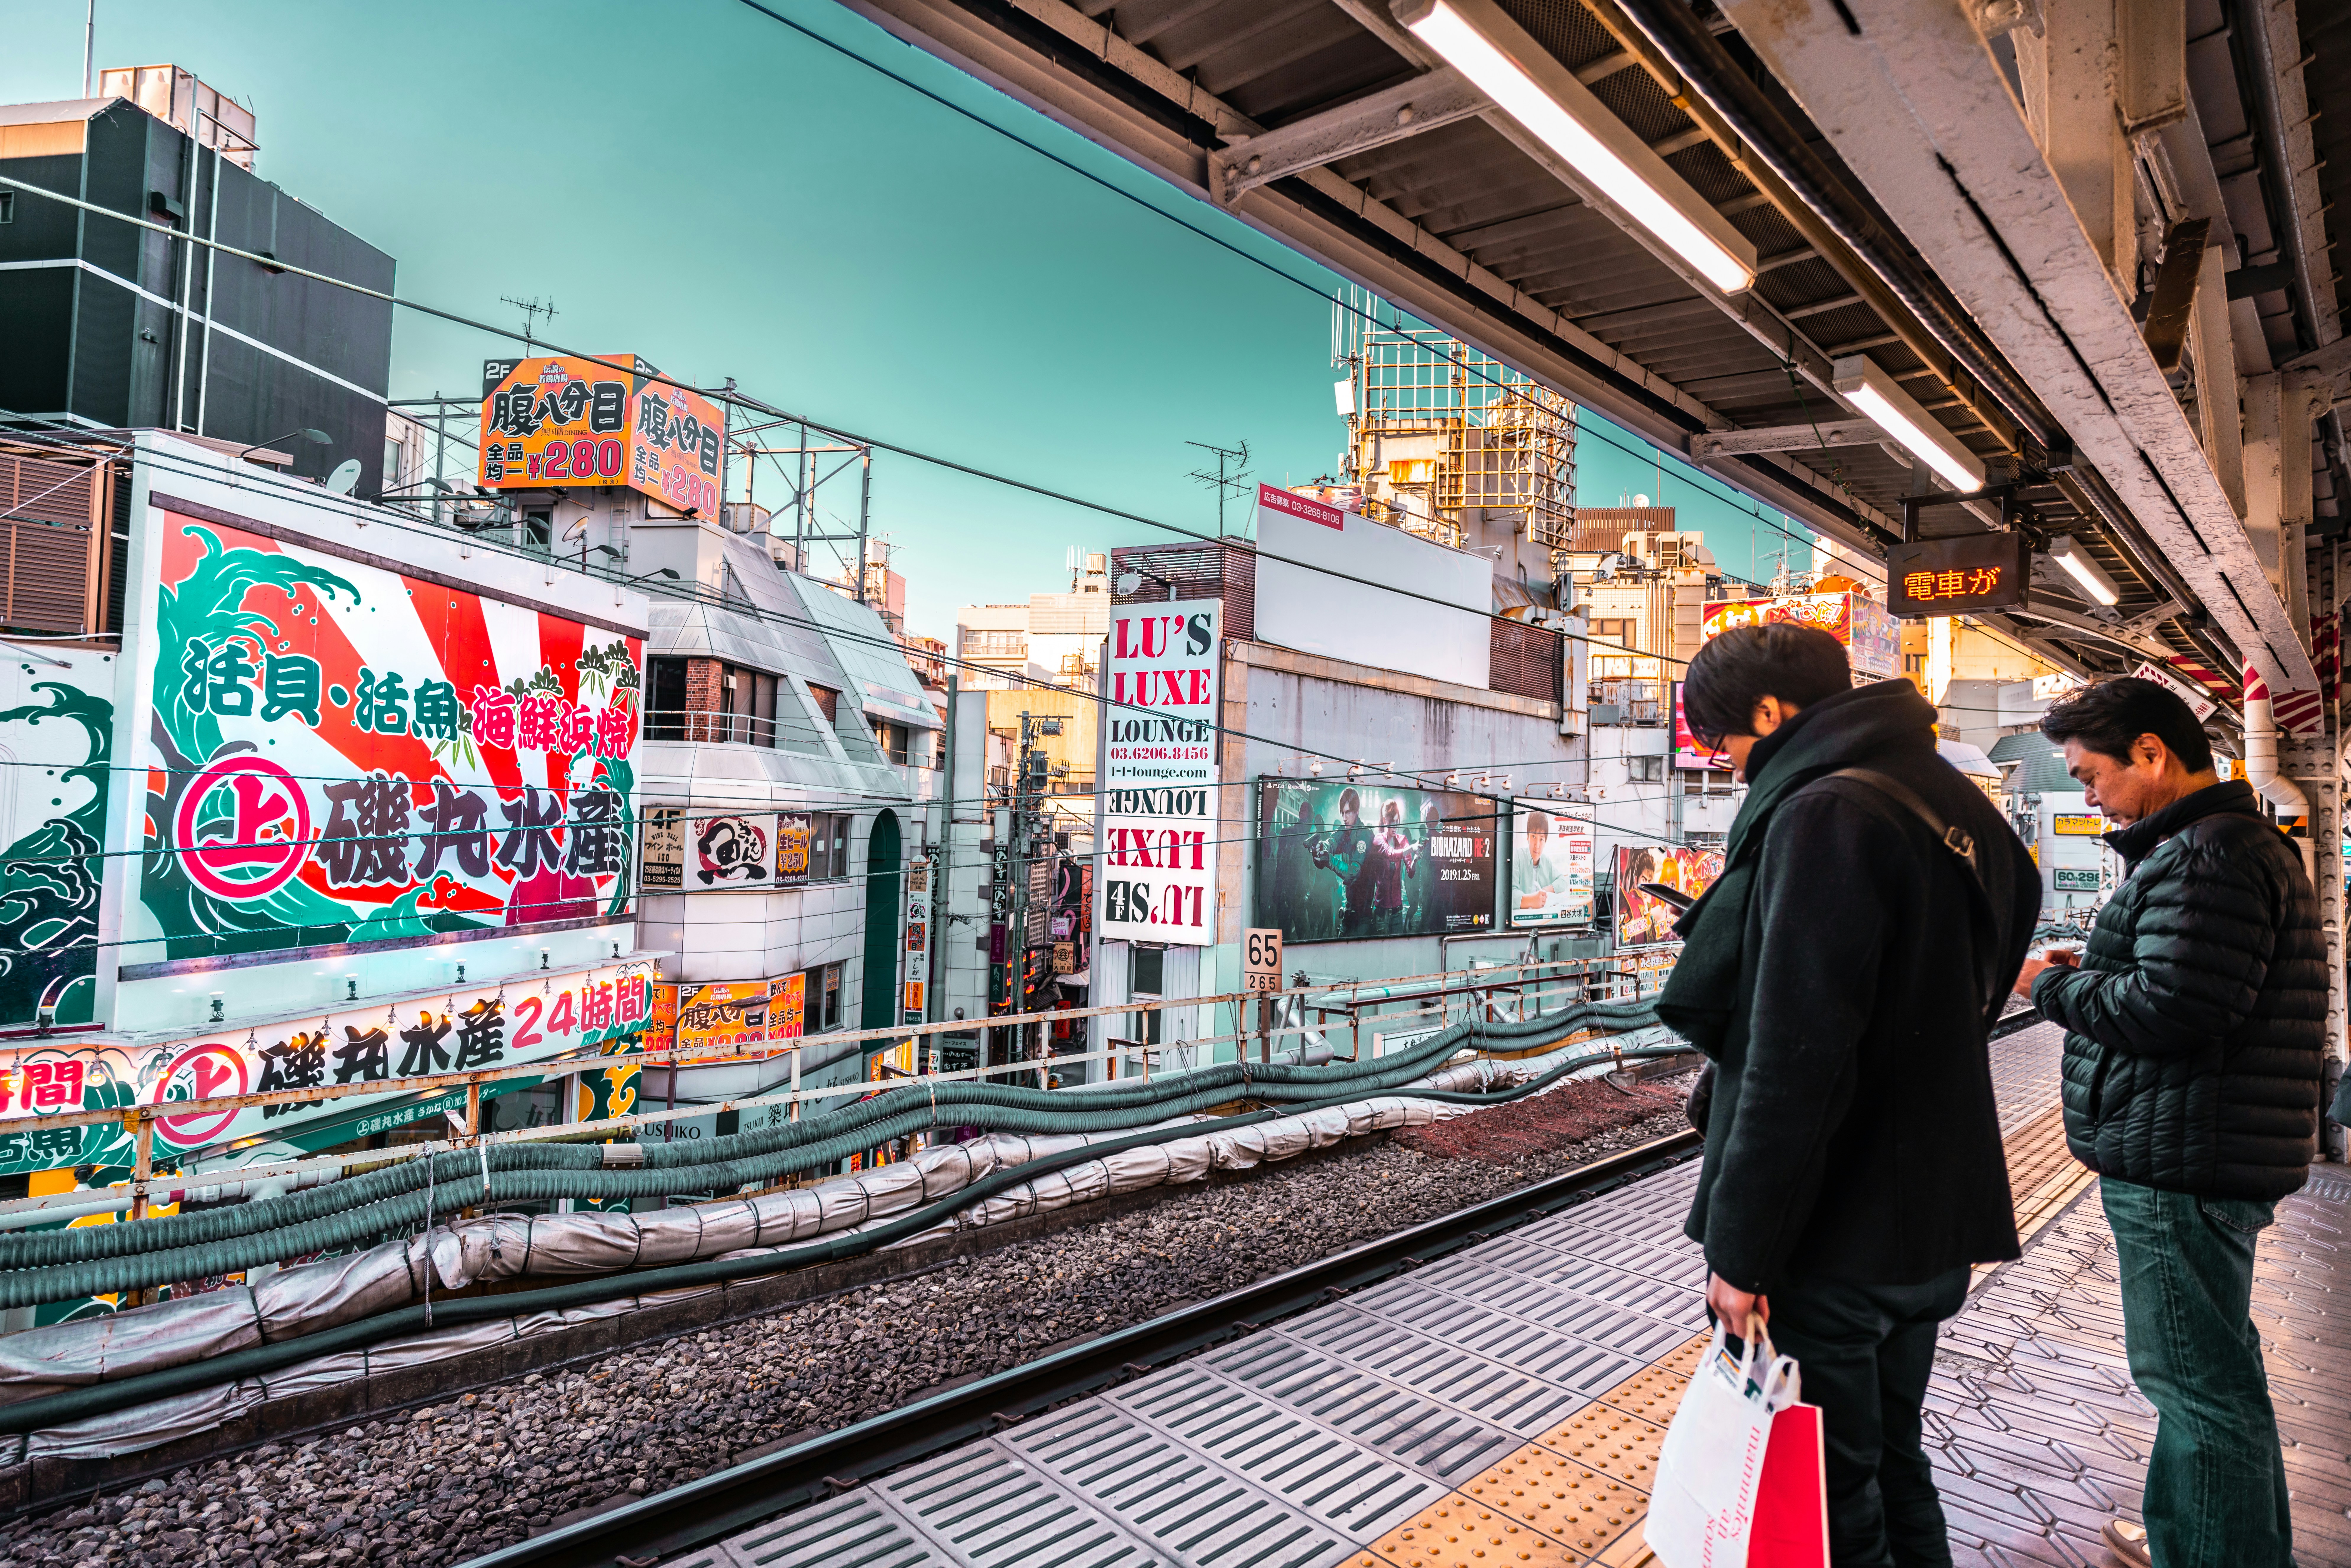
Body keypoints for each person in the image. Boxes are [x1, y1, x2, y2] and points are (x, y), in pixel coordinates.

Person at [1656, 622, 2039, 1568]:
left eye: (1728, 743)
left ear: (1772, 714)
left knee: (1833, 1496)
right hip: (1933, 1223)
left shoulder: (1825, 813)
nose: (1733, 766)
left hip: (1836, 1237)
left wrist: (1743, 1257)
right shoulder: (1953, 799)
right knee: (1894, 1461)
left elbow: (1796, 1060)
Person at [2015, 678, 2323, 1568]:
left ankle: (2215, 1555)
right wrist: (2099, 964)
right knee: (2212, 1375)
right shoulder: (2225, 845)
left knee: (2196, 1386)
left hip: (2183, 1159)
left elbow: (2171, 1010)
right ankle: (2199, 1535)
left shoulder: (2206, 855)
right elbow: (2188, 982)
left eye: (2090, 775)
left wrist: (2050, 986)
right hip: (2200, 1148)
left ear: (2151, 754)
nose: (2087, 795)